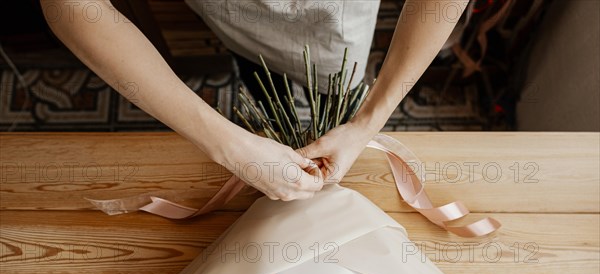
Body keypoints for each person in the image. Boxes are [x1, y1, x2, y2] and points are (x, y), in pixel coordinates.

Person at [40, 0, 470, 201]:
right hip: (233, 15)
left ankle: (333, 118)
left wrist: (366, 124)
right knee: (261, 76)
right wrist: (230, 146)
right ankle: (271, 110)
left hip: (336, 22)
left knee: (338, 89)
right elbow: (68, 5)